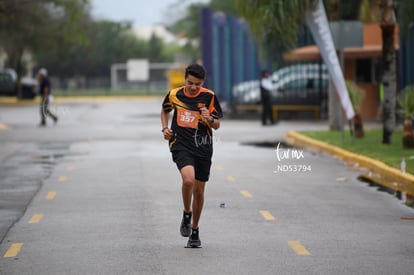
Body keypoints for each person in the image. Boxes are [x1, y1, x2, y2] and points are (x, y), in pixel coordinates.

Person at [160, 64, 223, 248]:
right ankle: (187, 213)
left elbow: (217, 125)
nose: (193, 87)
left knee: (199, 191)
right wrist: (165, 128)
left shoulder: (209, 96)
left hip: (203, 147)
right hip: (181, 144)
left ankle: (194, 231)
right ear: (185, 79)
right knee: (188, 180)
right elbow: (165, 109)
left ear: (202, 82)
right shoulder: (174, 94)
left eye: (197, 83)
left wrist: (209, 118)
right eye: (190, 83)